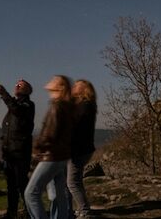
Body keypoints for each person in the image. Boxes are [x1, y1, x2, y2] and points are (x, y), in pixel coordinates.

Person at [24, 75, 74, 219]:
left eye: (54, 80)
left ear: (60, 87)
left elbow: (49, 133)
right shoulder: (67, 106)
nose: (50, 81)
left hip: (51, 156)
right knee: (59, 194)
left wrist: (37, 150)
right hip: (62, 156)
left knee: (31, 193)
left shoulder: (57, 105)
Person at [0, 79, 35, 219]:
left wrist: (4, 94)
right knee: (11, 185)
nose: (16, 86)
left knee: (22, 184)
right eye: (16, 84)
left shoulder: (28, 105)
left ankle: (30, 212)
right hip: (9, 153)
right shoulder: (16, 105)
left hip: (20, 153)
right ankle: (11, 212)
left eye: (20, 85)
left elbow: (17, 110)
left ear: (27, 90)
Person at [67, 79, 97, 219]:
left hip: (79, 149)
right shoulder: (85, 105)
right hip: (81, 148)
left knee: (72, 182)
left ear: (85, 89)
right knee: (74, 181)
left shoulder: (85, 106)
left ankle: (85, 211)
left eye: (77, 85)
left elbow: (74, 126)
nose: (74, 87)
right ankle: (78, 209)